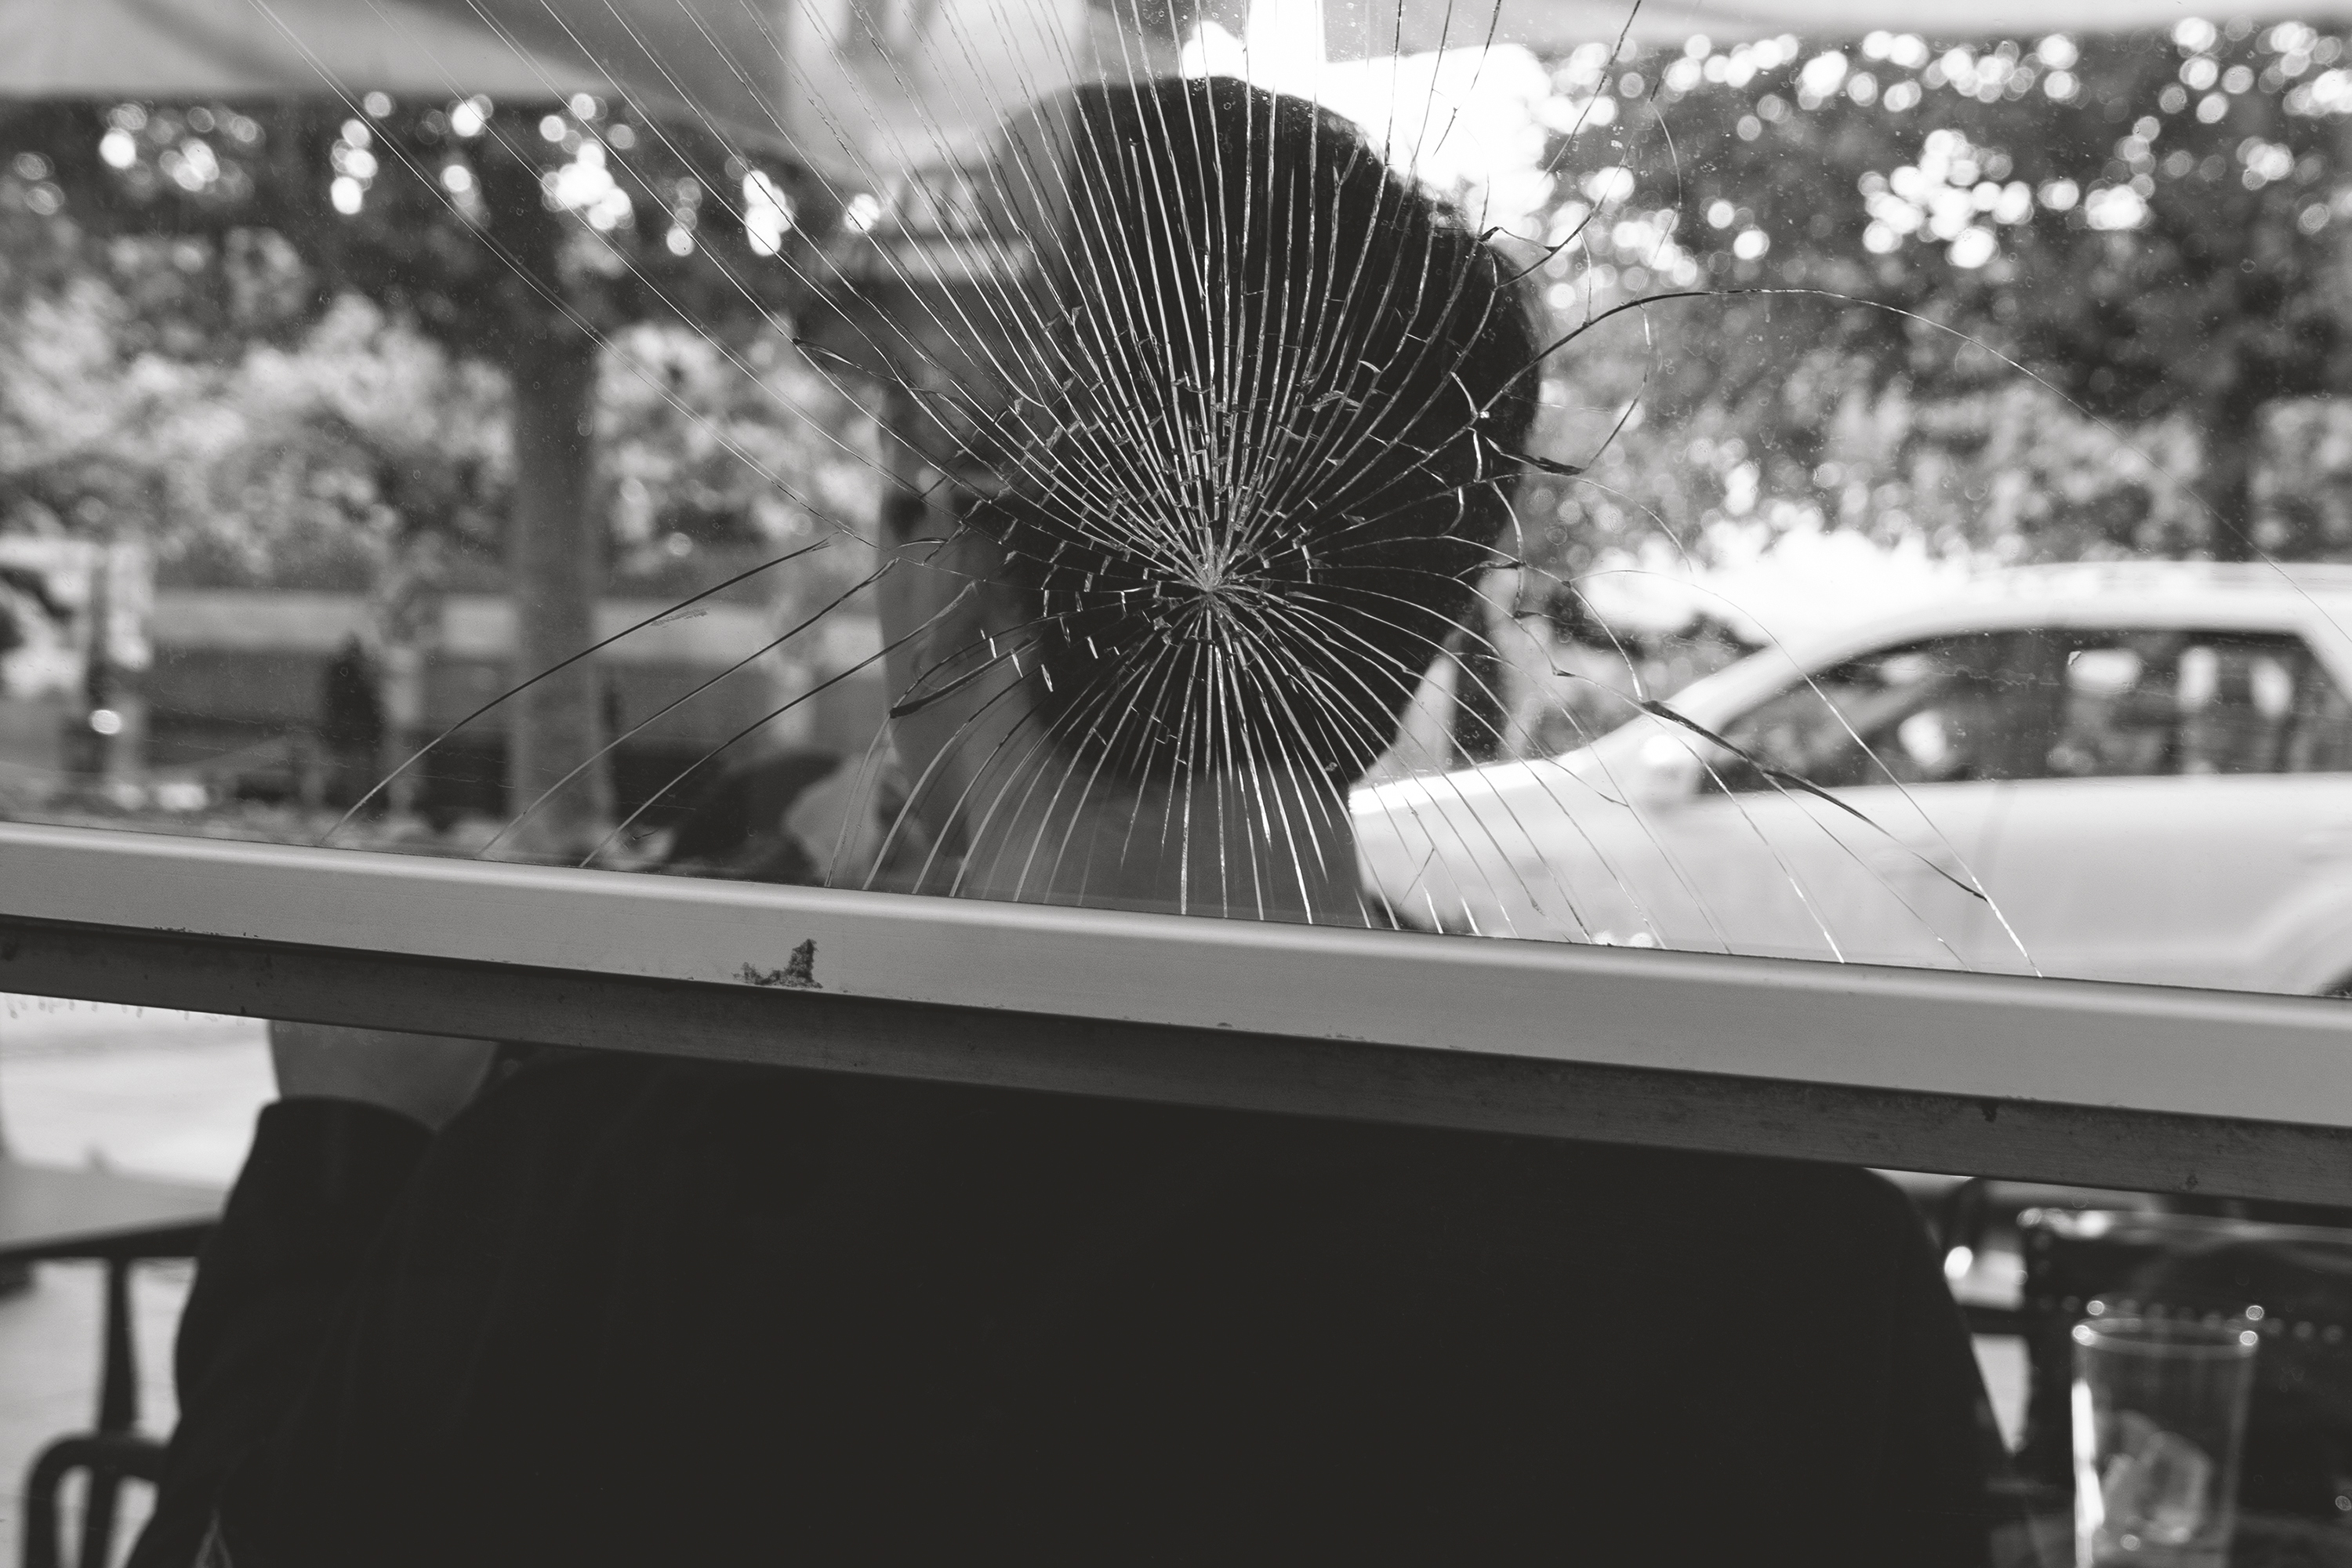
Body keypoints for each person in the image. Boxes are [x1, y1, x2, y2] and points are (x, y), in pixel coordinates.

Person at [130, 77, 1998, 1567]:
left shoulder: (640, 1188)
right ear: (1423, 609)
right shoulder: (1780, 1260)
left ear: (946, 579)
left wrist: (351, 1140)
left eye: (900, 481)